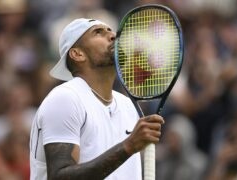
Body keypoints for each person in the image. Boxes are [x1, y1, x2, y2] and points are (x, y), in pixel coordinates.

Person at [29, 18, 164, 180]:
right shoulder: (66, 98)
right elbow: (59, 176)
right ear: (77, 54)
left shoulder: (128, 106)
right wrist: (129, 146)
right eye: (98, 32)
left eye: (111, 30)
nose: (113, 35)